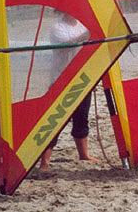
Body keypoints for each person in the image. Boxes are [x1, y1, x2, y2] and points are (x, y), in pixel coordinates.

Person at [39, 11, 96, 170]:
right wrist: (89, 33)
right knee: (55, 120)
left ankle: (83, 154)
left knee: (82, 117)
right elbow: (69, 44)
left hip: (81, 79)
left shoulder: (82, 25)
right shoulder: (57, 27)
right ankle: (44, 162)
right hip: (61, 80)